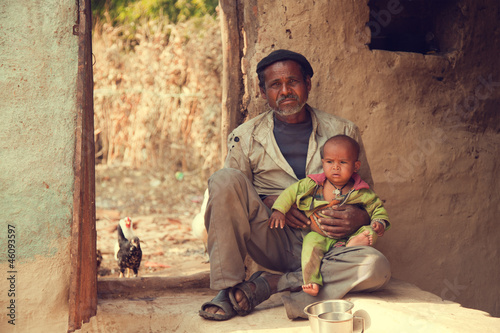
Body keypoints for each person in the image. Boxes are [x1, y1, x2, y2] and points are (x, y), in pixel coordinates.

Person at [199, 49, 391, 321]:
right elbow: (234, 194)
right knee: (223, 178)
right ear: (263, 91)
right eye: (276, 84)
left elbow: (368, 193)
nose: (285, 91)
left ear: (308, 84)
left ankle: (273, 284)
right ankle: (227, 289)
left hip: (329, 245)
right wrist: (272, 202)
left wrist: (358, 216)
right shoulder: (245, 137)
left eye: (293, 82)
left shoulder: (342, 130)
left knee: (376, 267)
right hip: (273, 237)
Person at [268, 135, 390, 297]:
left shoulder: (361, 191)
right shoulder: (312, 184)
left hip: (348, 237)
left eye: (343, 162)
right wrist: (279, 210)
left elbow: (376, 207)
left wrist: (379, 222)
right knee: (310, 244)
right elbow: (291, 192)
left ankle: (353, 245)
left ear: (356, 166)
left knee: (368, 232)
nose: (336, 167)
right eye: (330, 162)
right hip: (320, 235)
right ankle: (311, 280)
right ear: (323, 162)